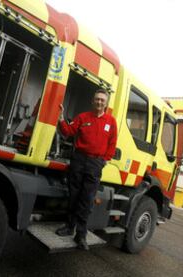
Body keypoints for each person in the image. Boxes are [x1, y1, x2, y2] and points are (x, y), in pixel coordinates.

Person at [56, 89, 117, 250]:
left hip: (95, 164)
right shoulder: (83, 117)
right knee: (73, 196)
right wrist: (61, 119)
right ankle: (69, 227)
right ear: (93, 101)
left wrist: (104, 161)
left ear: (106, 103)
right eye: (97, 99)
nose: (99, 102)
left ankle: (81, 235)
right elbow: (69, 132)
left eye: (102, 100)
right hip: (78, 160)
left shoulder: (111, 122)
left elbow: (112, 143)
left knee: (87, 200)